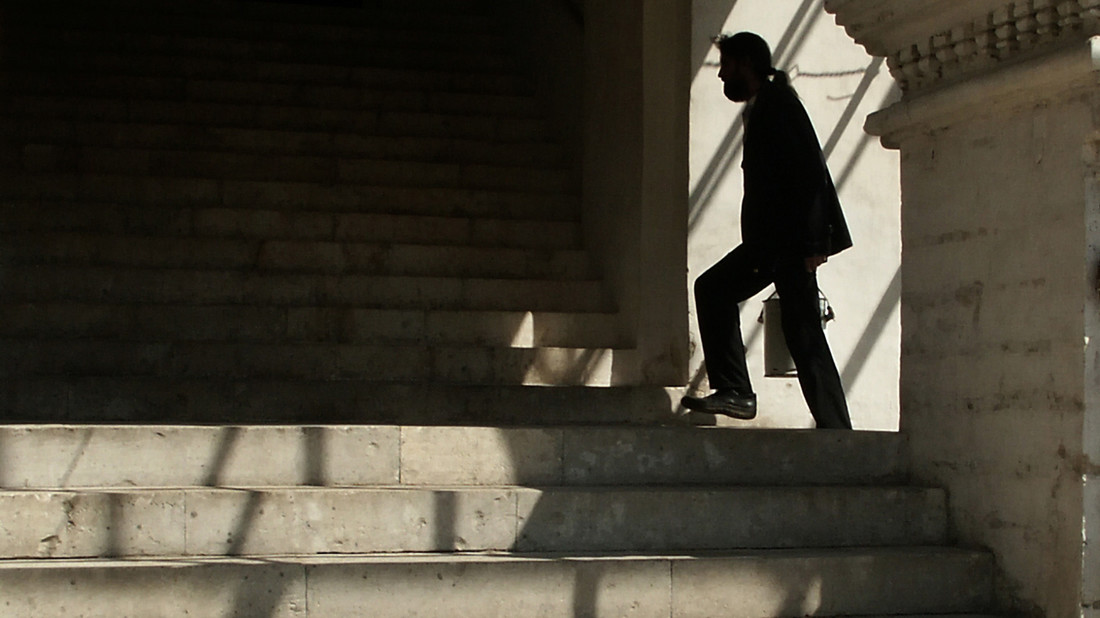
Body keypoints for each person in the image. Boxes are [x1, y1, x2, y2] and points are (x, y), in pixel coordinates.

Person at [681, 32, 853, 429]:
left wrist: (814, 243)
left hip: (786, 243)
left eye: (726, 66)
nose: (721, 75)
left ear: (745, 62)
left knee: (719, 292)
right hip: (775, 243)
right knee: (799, 329)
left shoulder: (779, 105)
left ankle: (739, 393)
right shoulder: (767, 106)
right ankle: (834, 427)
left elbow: (811, 175)